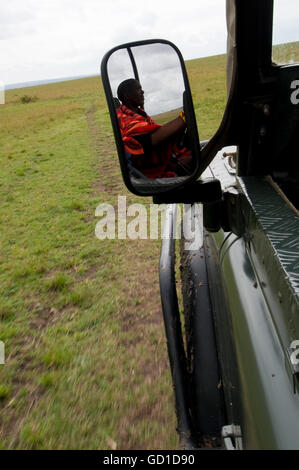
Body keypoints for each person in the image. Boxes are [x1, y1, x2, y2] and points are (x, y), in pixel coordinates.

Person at [116, 78, 193, 178]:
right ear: (127, 95)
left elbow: (158, 134)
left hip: (166, 159)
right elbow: (154, 139)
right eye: (138, 89)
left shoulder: (140, 114)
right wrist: (183, 118)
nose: (142, 92)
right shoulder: (125, 120)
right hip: (152, 169)